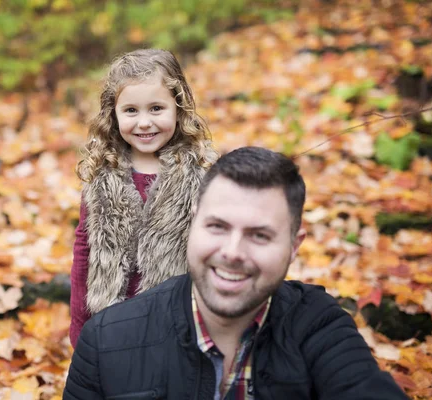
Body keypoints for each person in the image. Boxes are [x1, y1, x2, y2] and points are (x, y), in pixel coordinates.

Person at [64, 146, 408, 400]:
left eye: (259, 235)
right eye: (217, 226)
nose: (232, 252)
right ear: (193, 223)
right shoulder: (105, 342)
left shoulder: (319, 326)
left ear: (293, 244)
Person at [70, 48, 218, 347]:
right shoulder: (104, 175)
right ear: (113, 113)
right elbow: (84, 249)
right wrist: (79, 326)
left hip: (176, 326)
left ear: (178, 108)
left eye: (156, 109)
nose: (144, 123)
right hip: (113, 324)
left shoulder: (198, 175)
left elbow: (212, 253)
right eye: (131, 111)